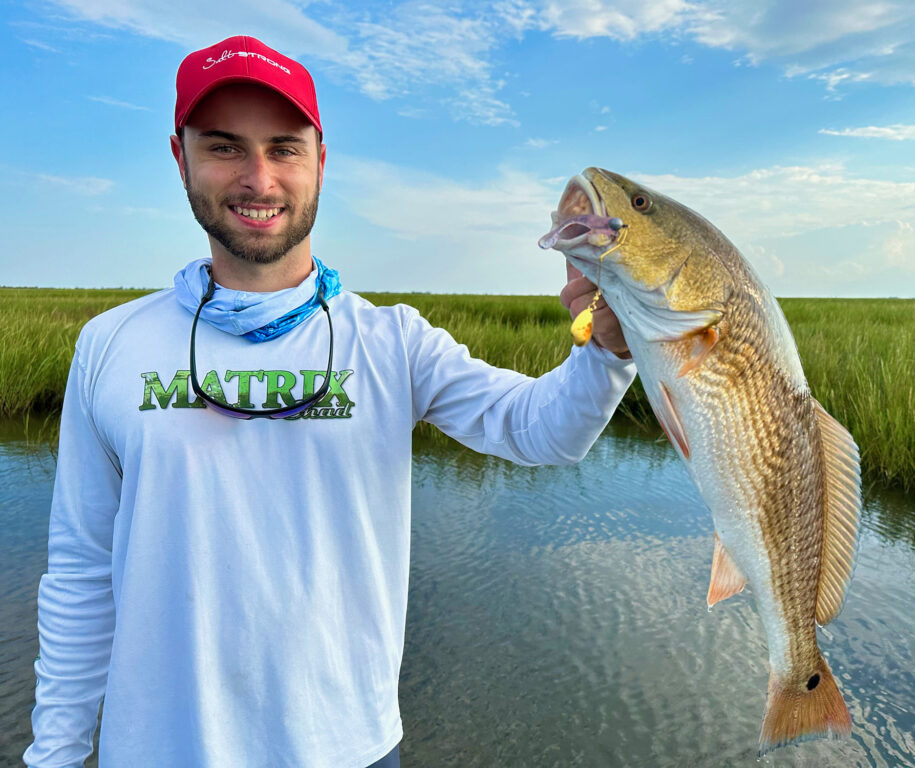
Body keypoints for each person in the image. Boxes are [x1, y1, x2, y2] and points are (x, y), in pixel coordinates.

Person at [24, 36, 635, 768]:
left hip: (349, 749)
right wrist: (53, 753)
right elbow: (81, 572)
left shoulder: (392, 341)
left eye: (284, 148)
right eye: (224, 147)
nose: (258, 178)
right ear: (180, 157)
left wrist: (608, 347)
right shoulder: (111, 344)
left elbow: (545, 432)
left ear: (320, 160)